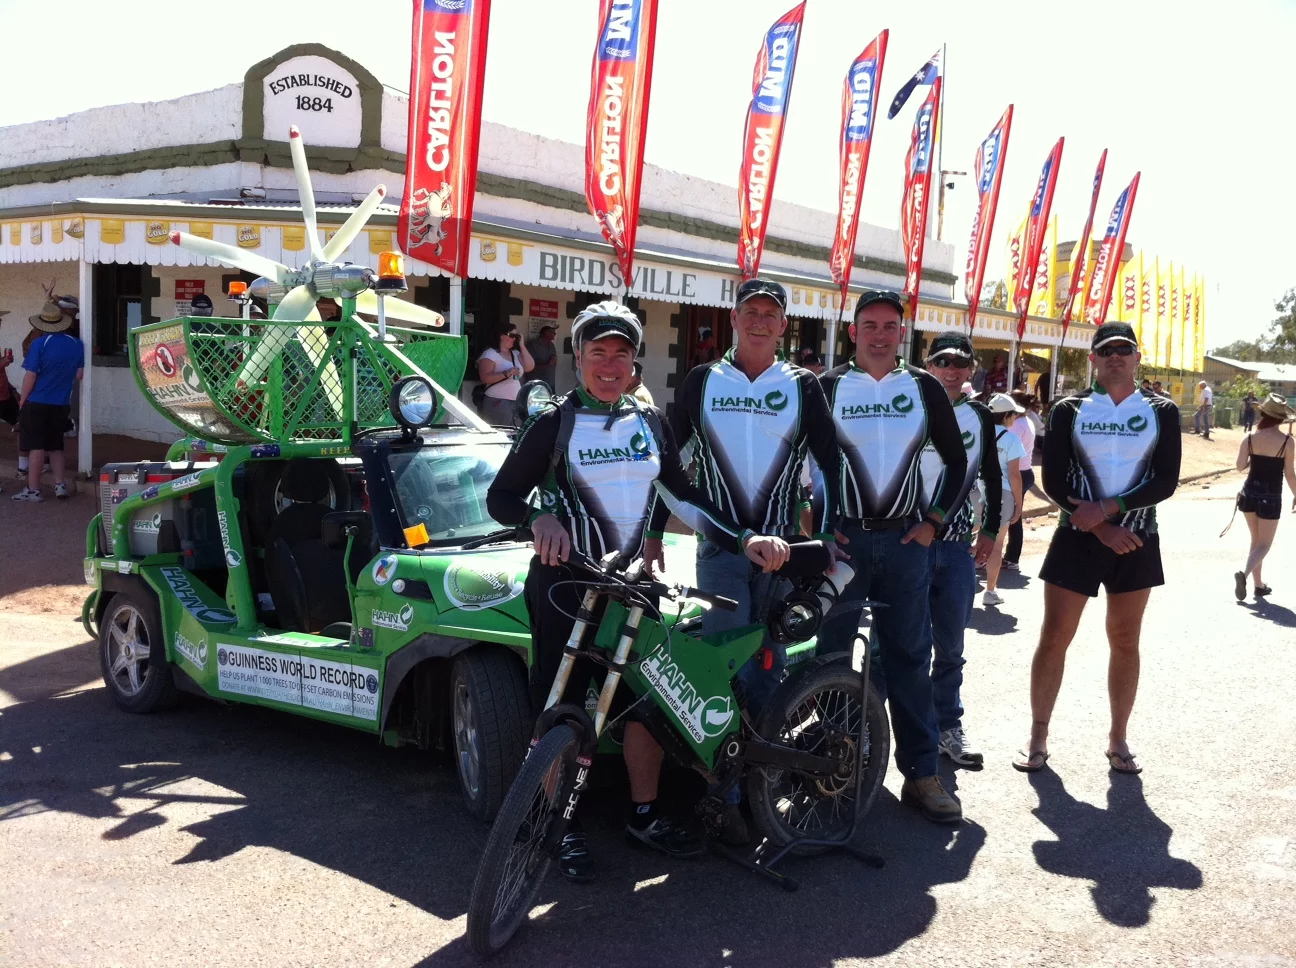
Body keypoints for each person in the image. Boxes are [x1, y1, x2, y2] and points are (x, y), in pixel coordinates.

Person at [486, 300, 789, 881]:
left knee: (647, 707)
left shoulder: (650, 423)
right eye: (597, 352)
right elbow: (501, 496)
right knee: (560, 708)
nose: (609, 364)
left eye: (620, 354)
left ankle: (644, 815)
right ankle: (559, 826)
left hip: (632, 588)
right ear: (578, 357)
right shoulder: (552, 423)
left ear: (634, 363)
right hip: (567, 585)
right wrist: (537, 520)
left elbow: (684, 497)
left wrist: (743, 537)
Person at [652, 278, 840, 718]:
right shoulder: (702, 380)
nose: (760, 322)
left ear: (783, 325)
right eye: (751, 313)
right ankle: (725, 756)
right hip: (720, 549)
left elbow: (828, 467)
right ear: (734, 319)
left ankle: (761, 753)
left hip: (783, 551)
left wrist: (828, 535)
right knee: (723, 660)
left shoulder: (803, 385)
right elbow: (671, 468)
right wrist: (654, 531)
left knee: (770, 661)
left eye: (770, 315)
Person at [817, 290, 968, 823]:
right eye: (869, 325)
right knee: (832, 656)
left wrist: (934, 523)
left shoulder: (924, 387)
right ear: (853, 331)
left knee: (909, 658)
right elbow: (799, 459)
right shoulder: (828, 386)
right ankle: (832, 765)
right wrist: (818, 528)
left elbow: (957, 462)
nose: (879, 335)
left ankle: (921, 775)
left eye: (889, 326)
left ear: (901, 333)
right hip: (845, 544)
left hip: (907, 542)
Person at [1014, 321, 1181, 776]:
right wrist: (1102, 527)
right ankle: (1038, 735)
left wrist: (1110, 508)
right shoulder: (1069, 409)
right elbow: (1054, 479)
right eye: (1106, 350)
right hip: (1079, 536)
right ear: (1093, 359)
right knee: (1054, 637)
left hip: (1137, 537)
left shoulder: (1162, 410)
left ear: (1137, 358)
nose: (1115, 357)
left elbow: (1165, 480)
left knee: (1125, 640)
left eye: (1124, 349)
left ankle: (1118, 738)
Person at [917, 332, 1002, 767]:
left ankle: (947, 727)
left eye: (961, 363)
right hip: (908, 543)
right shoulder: (908, 404)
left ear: (971, 369)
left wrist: (991, 528)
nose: (951, 370)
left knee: (950, 649)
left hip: (954, 548)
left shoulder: (980, 416)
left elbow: (991, 473)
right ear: (928, 365)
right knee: (888, 646)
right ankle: (866, 729)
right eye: (943, 361)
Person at [11, 301, 84, 503]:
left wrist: (22, 400)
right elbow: (79, 375)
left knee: (36, 446)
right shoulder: (76, 344)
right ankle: (60, 484)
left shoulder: (39, 343)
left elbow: (30, 375)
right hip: (61, 402)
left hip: (37, 401)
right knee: (56, 445)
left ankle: (33, 490)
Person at [1232, 393, 1296, 600]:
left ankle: (1258, 585)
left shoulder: (1249, 437)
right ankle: (1244, 574)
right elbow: (1290, 474)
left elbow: (1239, 466)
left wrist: (1255, 458)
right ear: (1281, 418)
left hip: (1248, 493)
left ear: (1263, 414)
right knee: (1265, 544)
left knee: (1257, 541)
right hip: (1271, 497)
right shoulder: (1287, 441)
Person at [981, 394, 1026, 606]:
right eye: (1013, 414)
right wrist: (1019, 504)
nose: (1015, 417)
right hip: (1002, 493)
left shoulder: (978, 433)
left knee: (965, 539)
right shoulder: (1011, 439)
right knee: (996, 544)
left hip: (974, 490)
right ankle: (990, 591)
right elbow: (1015, 475)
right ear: (1006, 415)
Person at [1002, 391, 1038, 573]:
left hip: (1017, 474)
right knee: (1014, 516)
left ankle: (1011, 558)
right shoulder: (1026, 421)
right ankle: (1010, 557)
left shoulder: (1016, 425)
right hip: (1024, 472)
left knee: (1013, 517)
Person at [476, 322, 533, 425]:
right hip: (497, 402)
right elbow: (485, 378)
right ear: (501, 336)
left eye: (516, 336)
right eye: (511, 335)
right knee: (499, 431)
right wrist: (506, 373)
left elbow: (529, 367)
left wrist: (522, 345)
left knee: (515, 432)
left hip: (516, 402)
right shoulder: (490, 353)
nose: (514, 339)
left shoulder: (515, 353)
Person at [526, 325, 558, 391]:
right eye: (553, 332)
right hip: (536, 382)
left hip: (550, 381)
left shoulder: (551, 345)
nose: (555, 334)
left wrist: (554, 360)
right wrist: (547, 364)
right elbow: (529, 364)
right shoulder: (532, 344)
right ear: (547, 333)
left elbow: (554, 358)